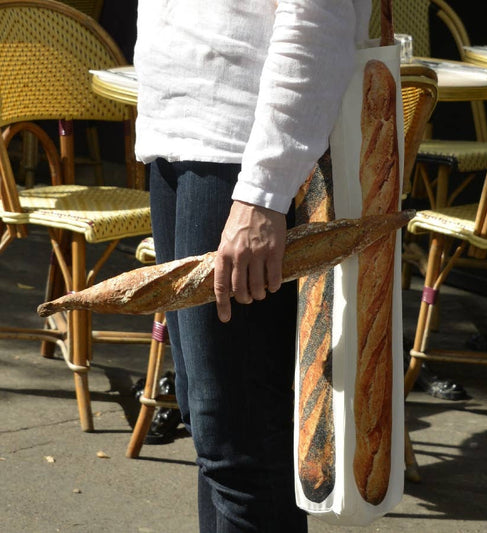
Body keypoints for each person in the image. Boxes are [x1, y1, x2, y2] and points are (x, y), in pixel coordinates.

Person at [134, 1, 371, 531]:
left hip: (240, 156)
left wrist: (264, 193)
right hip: (179, 141)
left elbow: (316, 17)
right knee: (212, 428)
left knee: (238, 432)